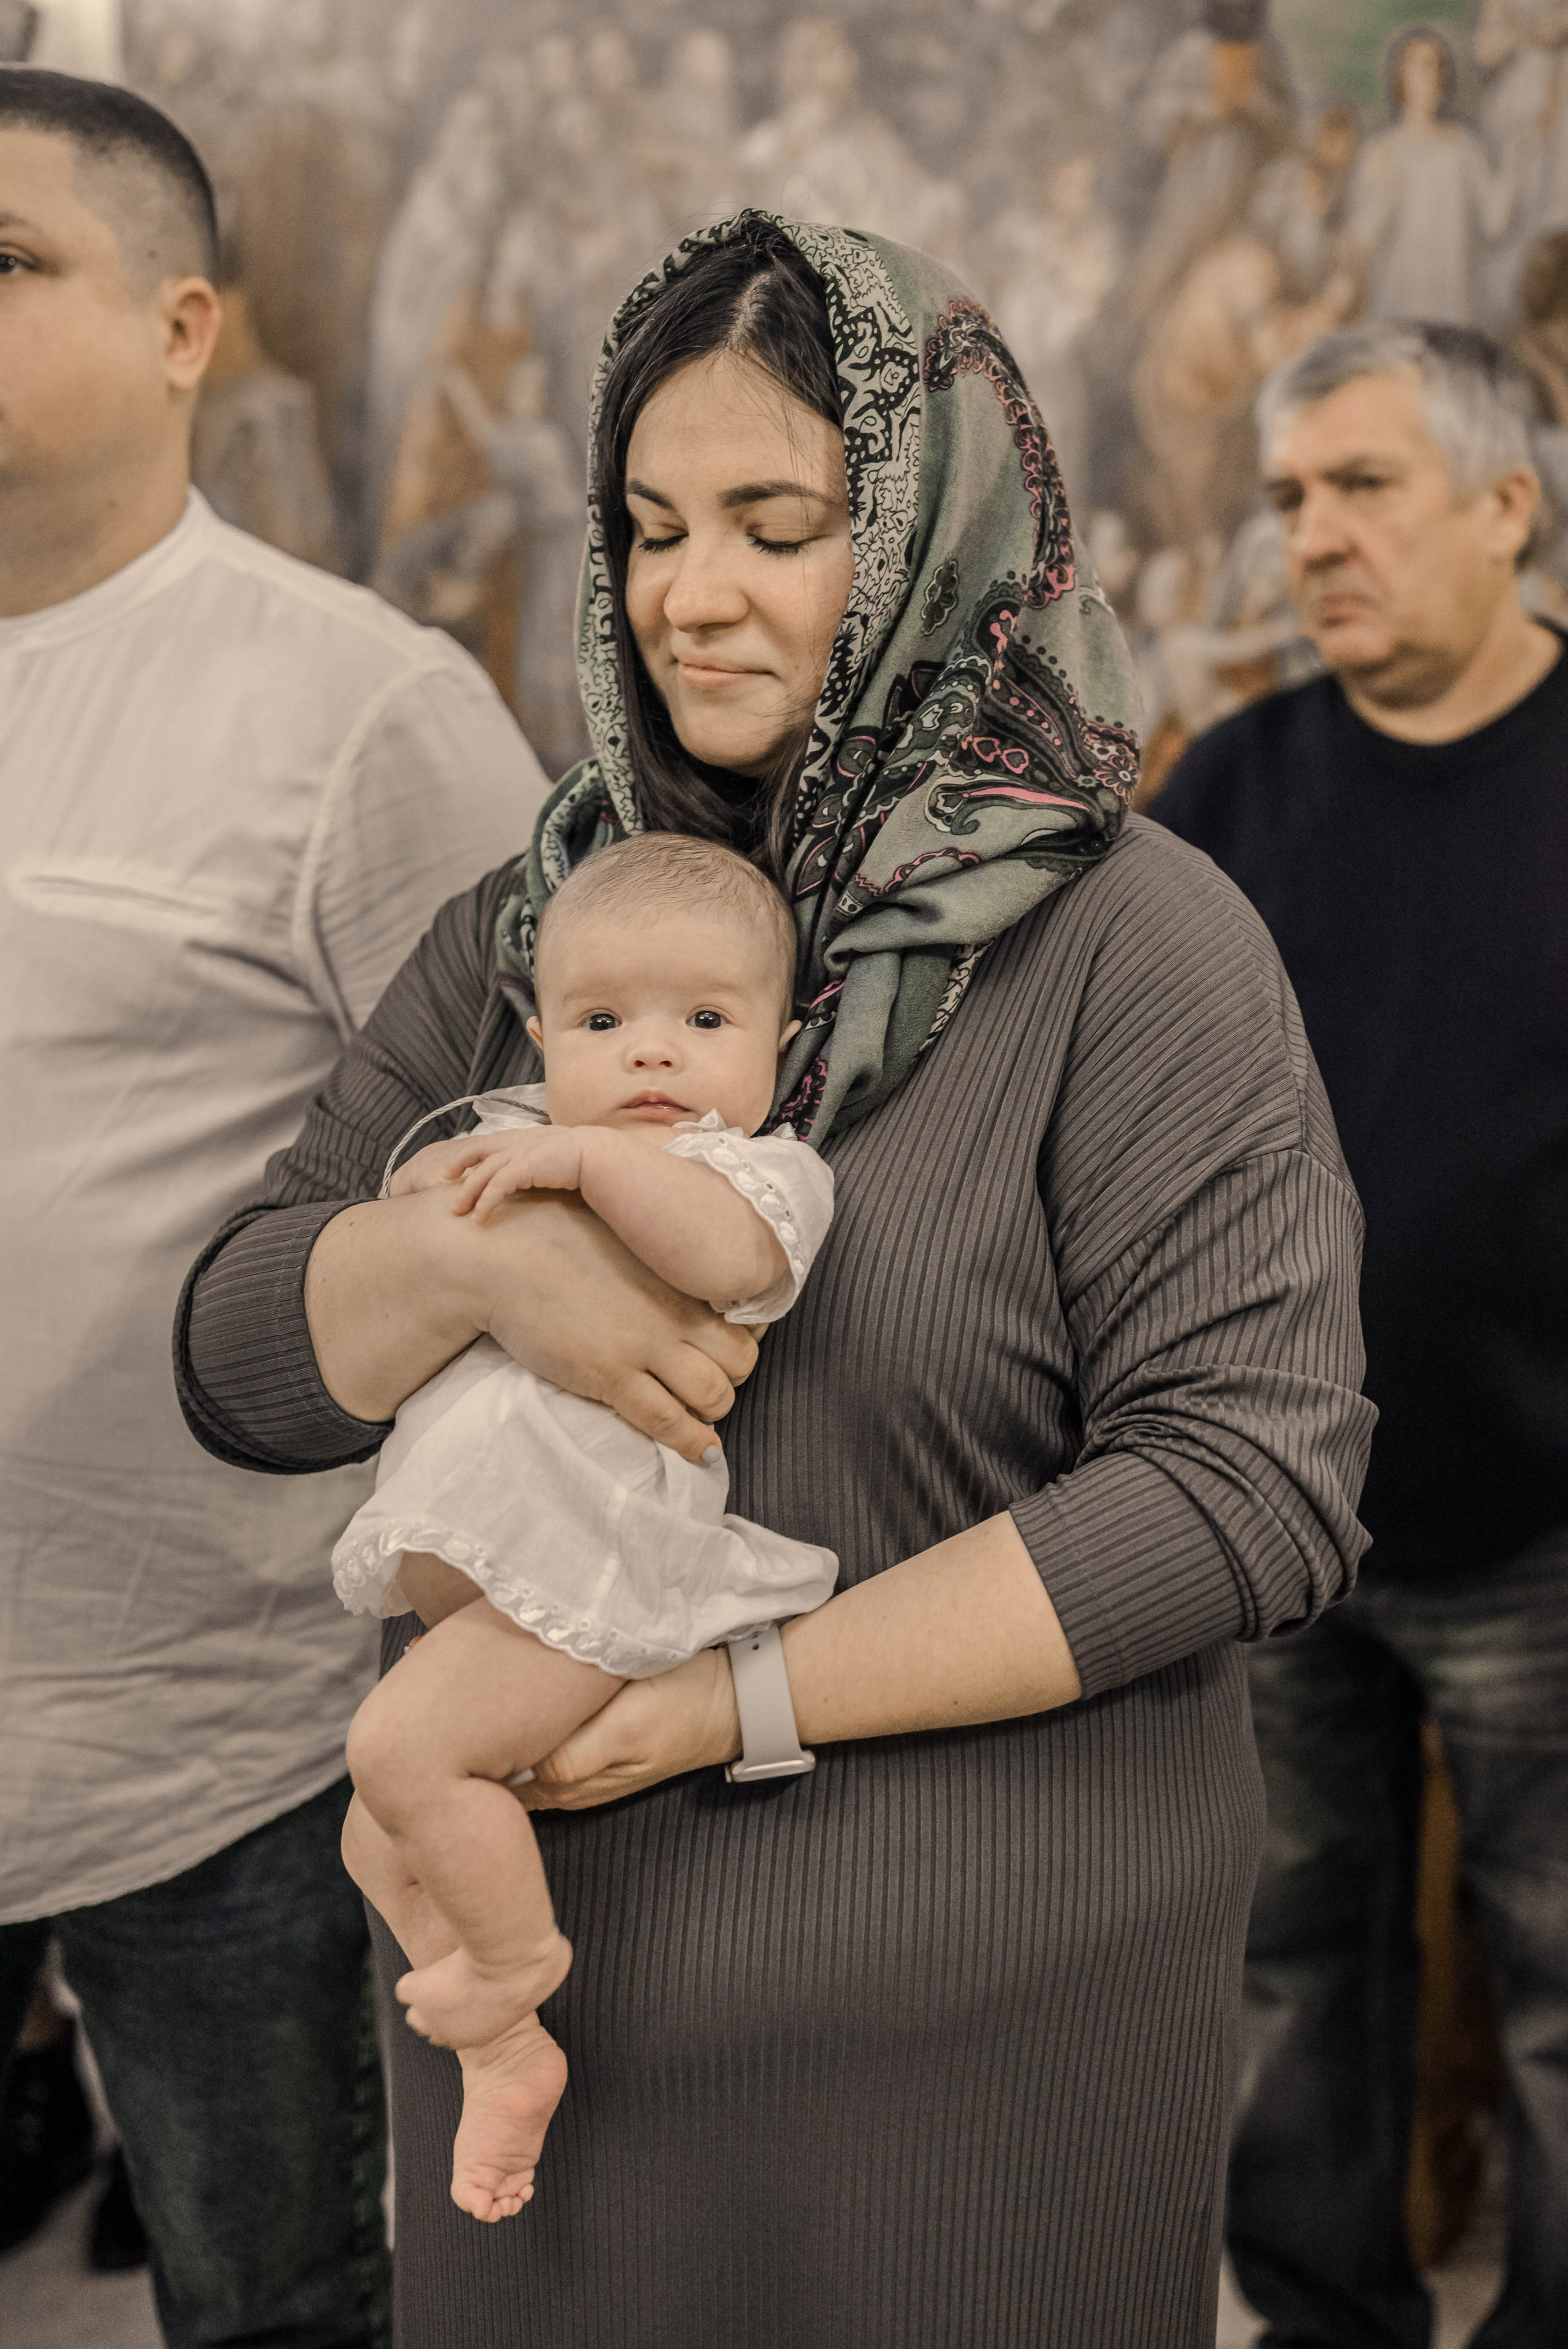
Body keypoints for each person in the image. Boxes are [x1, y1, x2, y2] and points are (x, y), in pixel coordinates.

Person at [177, 213, 1372, 2346]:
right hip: (542, 2084)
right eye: (646, 527)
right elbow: (250, 1352)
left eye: (775, 522)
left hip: (979, 2055)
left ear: (927, 530)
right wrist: (480, 1279)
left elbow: (1243, 1487)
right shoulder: (548, 918)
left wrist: (728, 1698)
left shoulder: (1134, 944)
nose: (689, 594)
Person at [0, 67, 547, 2347]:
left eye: (9, 262)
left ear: (184, 323)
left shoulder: (363, 708)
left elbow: (527, 1202)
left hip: (213, 1752)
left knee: (286, 2307)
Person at [1153, 320, 1568, 2347]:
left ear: (1513, 504)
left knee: (1566, 1978)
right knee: (1289, 1967)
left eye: (1364, 486)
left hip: (1544, 1527)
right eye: (1290, 497)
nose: (1312, 535)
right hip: (1273, 1517)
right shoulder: (1234, 782)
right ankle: (1325, 2322)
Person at [334, 832, 837, 2225]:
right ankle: (504, 2053)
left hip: (596, 1566)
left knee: (395, 1748)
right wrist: (458, 1204)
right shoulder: (510, 1133)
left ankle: (512, 1978)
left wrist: (573, 1166)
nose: (651, 1057)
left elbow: (728, 1260)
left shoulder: (757, 1171)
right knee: (377, 1839)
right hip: (493, 1578)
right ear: (540, 1031)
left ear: (779, 1040)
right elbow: (385, 1246)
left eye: (704, 1020)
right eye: (602, 1022)